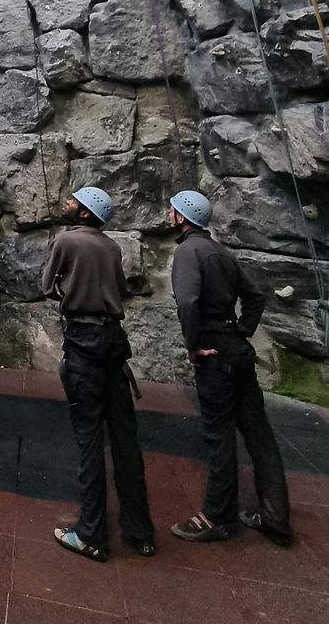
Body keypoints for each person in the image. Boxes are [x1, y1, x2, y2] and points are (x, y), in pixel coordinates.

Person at [168, 190, 292, 547]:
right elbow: (254, 297)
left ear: (181, 217)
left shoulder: (187, 252)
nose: (169, 213)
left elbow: (188, 302)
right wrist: (240, 330)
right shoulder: (222, 252)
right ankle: (275, 517)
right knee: (260, 435)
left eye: (172, 210)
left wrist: (193, 346)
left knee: (219, 435)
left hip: (213, 352)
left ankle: (216, 518)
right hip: (237, 349)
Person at [42, 187, 156, 562]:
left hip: (83, 344)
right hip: (113, 342)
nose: (67, 202)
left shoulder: (66, 240)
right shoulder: (112, 247)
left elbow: (47, 285)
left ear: (87, 213)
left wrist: (66, 288)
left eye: (74, 201)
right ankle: (140, 532)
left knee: (89, 436)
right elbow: (118, 290)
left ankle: (90, 534)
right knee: (125, 438)